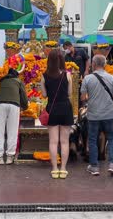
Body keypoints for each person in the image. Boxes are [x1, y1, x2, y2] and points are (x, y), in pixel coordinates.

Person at [80, 54, 113, 176]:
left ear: (93, 64)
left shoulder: (87, 79)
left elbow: (83, 97)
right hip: (108, 113)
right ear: (105, 65)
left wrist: (90, 99)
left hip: (93, 114)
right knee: (111, 138)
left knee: (92, 138)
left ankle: (94, 166)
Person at [40, 50, 74, 179]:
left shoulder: (44, 76)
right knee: (64, 141)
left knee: (53, 141)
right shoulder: (68, 75)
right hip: (65, 108)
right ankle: (63, 169)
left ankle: (54, 169)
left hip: (52, 108)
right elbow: (70, 93)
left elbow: (44, 95)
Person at [0, 68, 28, 165]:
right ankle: (10, 157)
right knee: (12, 130)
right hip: (14, 106)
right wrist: (25, 107)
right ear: (17, 75)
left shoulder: (3, 81)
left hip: (0, 105)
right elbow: (24, 98)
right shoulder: (19, 81)